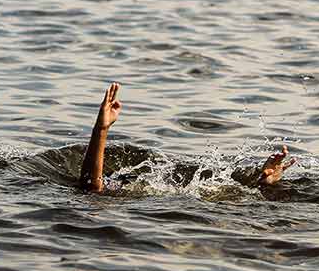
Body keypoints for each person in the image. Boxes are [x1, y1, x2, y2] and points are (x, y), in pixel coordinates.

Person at [78, 82, 296, 193]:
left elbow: (91, 187)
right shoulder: (130, 185)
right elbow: (93, 186)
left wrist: (101, 130)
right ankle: (260, 185)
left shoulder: (120, 187)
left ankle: (260, 184)